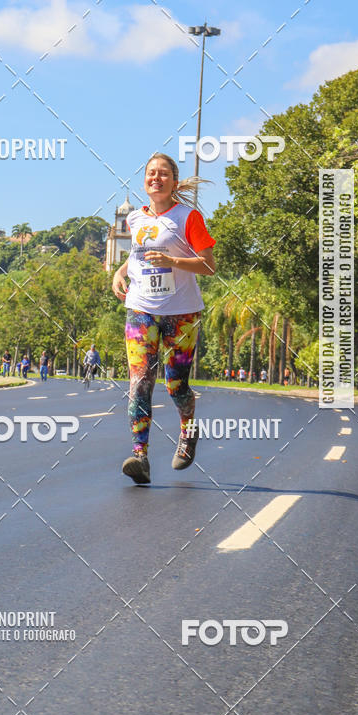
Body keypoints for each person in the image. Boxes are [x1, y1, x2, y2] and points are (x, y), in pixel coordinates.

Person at [112, 153, 216, 485]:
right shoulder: (135, 220)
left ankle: (188, 432)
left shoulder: (189, 217)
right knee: (140, 382)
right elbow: (138, 254)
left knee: (176, 385)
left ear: (174, 181)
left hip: (182, 312)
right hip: (141, 308)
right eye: (150, 173)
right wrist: (119, 272)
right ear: (144, 181)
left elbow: (209, 265)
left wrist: (174, 260)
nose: (156, 178)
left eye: (163, 173)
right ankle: (139, 456)